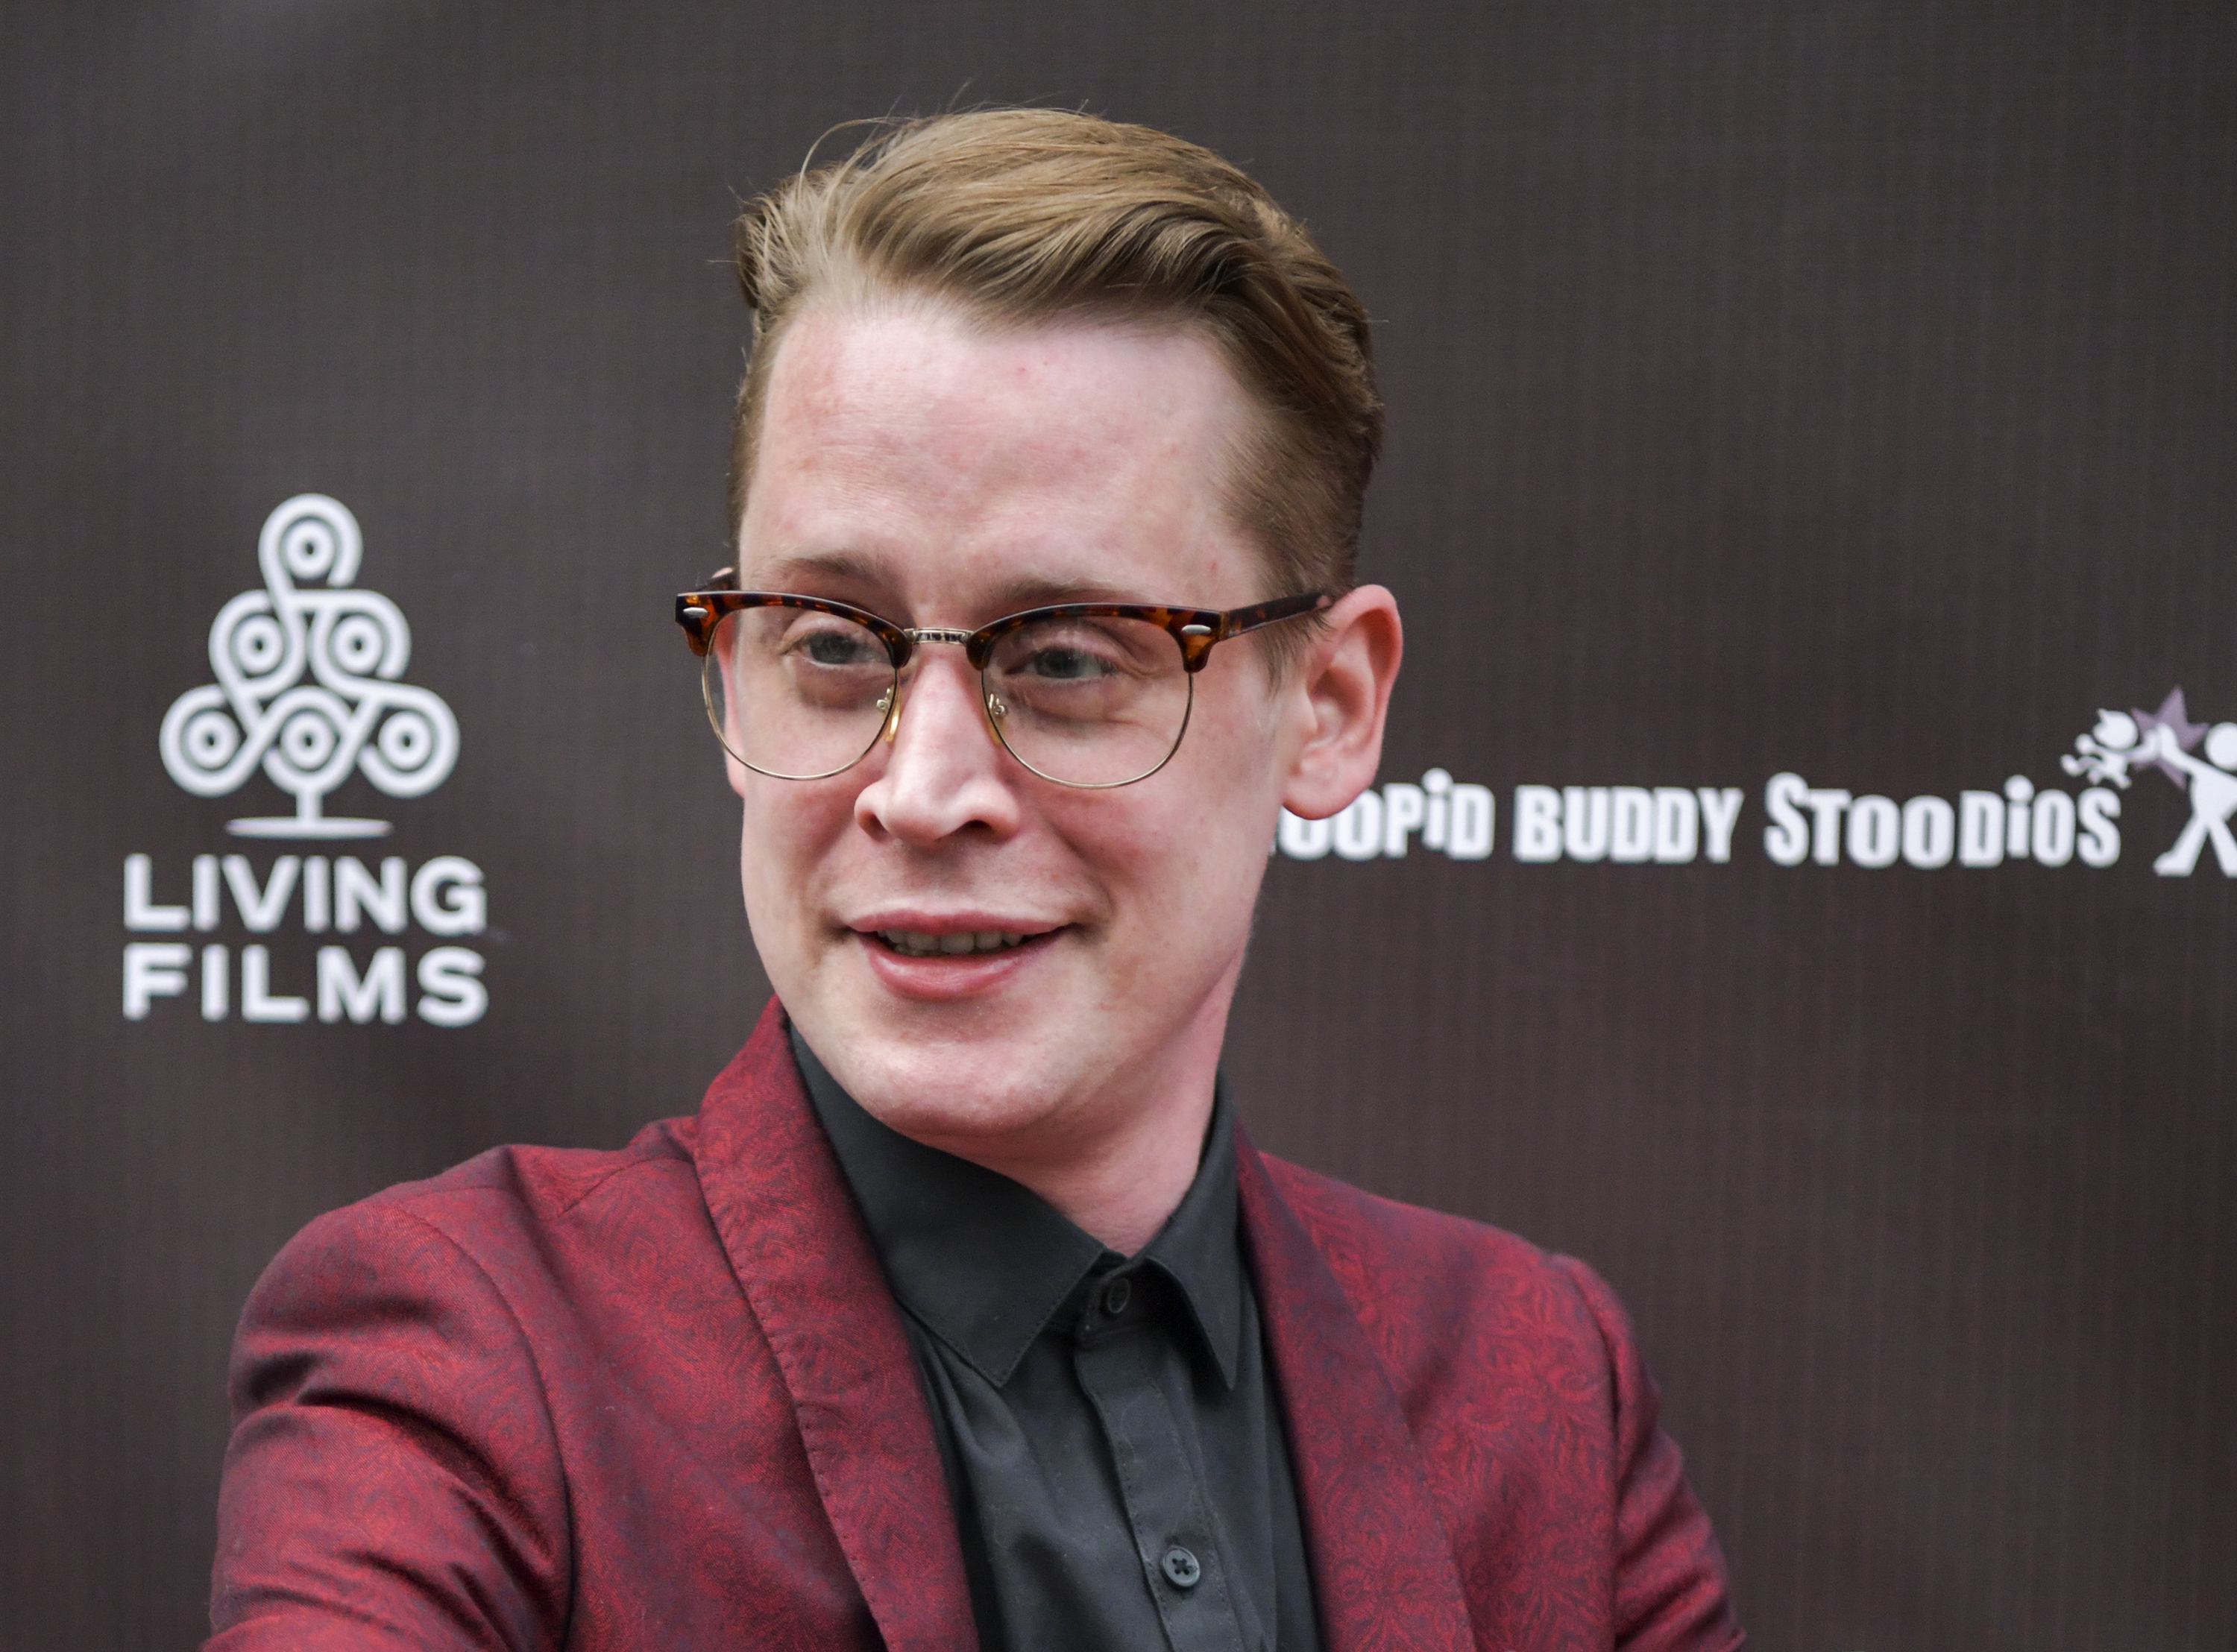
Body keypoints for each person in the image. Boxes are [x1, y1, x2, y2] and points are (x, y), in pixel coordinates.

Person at [207, 109, 1742, 1651]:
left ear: (1330, 706)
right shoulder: (468, 1357)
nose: (924, 788)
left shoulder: (1538, 1384)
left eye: (1068, 657)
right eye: (832, 644)